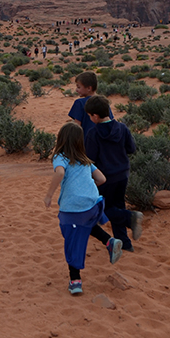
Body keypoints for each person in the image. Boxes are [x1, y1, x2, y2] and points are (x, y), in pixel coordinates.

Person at [43, 122, 122, 295]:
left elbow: (60, 173)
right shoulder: (85, 160)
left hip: (73, 208)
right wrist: (85, 187)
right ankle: (109, 241)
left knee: (73, 240)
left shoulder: (60, 157)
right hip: (93, 205)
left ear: (61, 139)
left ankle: (75, 281)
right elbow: (101, 179)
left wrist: (49, 195)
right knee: (85, 224)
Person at [84, 95, 143, 252]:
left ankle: (130, 218)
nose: (90, 119)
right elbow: (131, 148)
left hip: (104, 178)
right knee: (117, 205)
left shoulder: (93, 133)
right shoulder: (122, 128)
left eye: (90, 116)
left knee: (104, 209)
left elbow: (90, 159)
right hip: (123, 174)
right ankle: (125, 244)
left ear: (95, 116)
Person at [68, 71, 113, 143]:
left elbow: (76, 126)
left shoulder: (79, 103)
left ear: (89, 88)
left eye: (79, 87)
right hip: (103, 142)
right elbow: (110, 121)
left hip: (86, 143)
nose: (76, 90)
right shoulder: (103, 101)